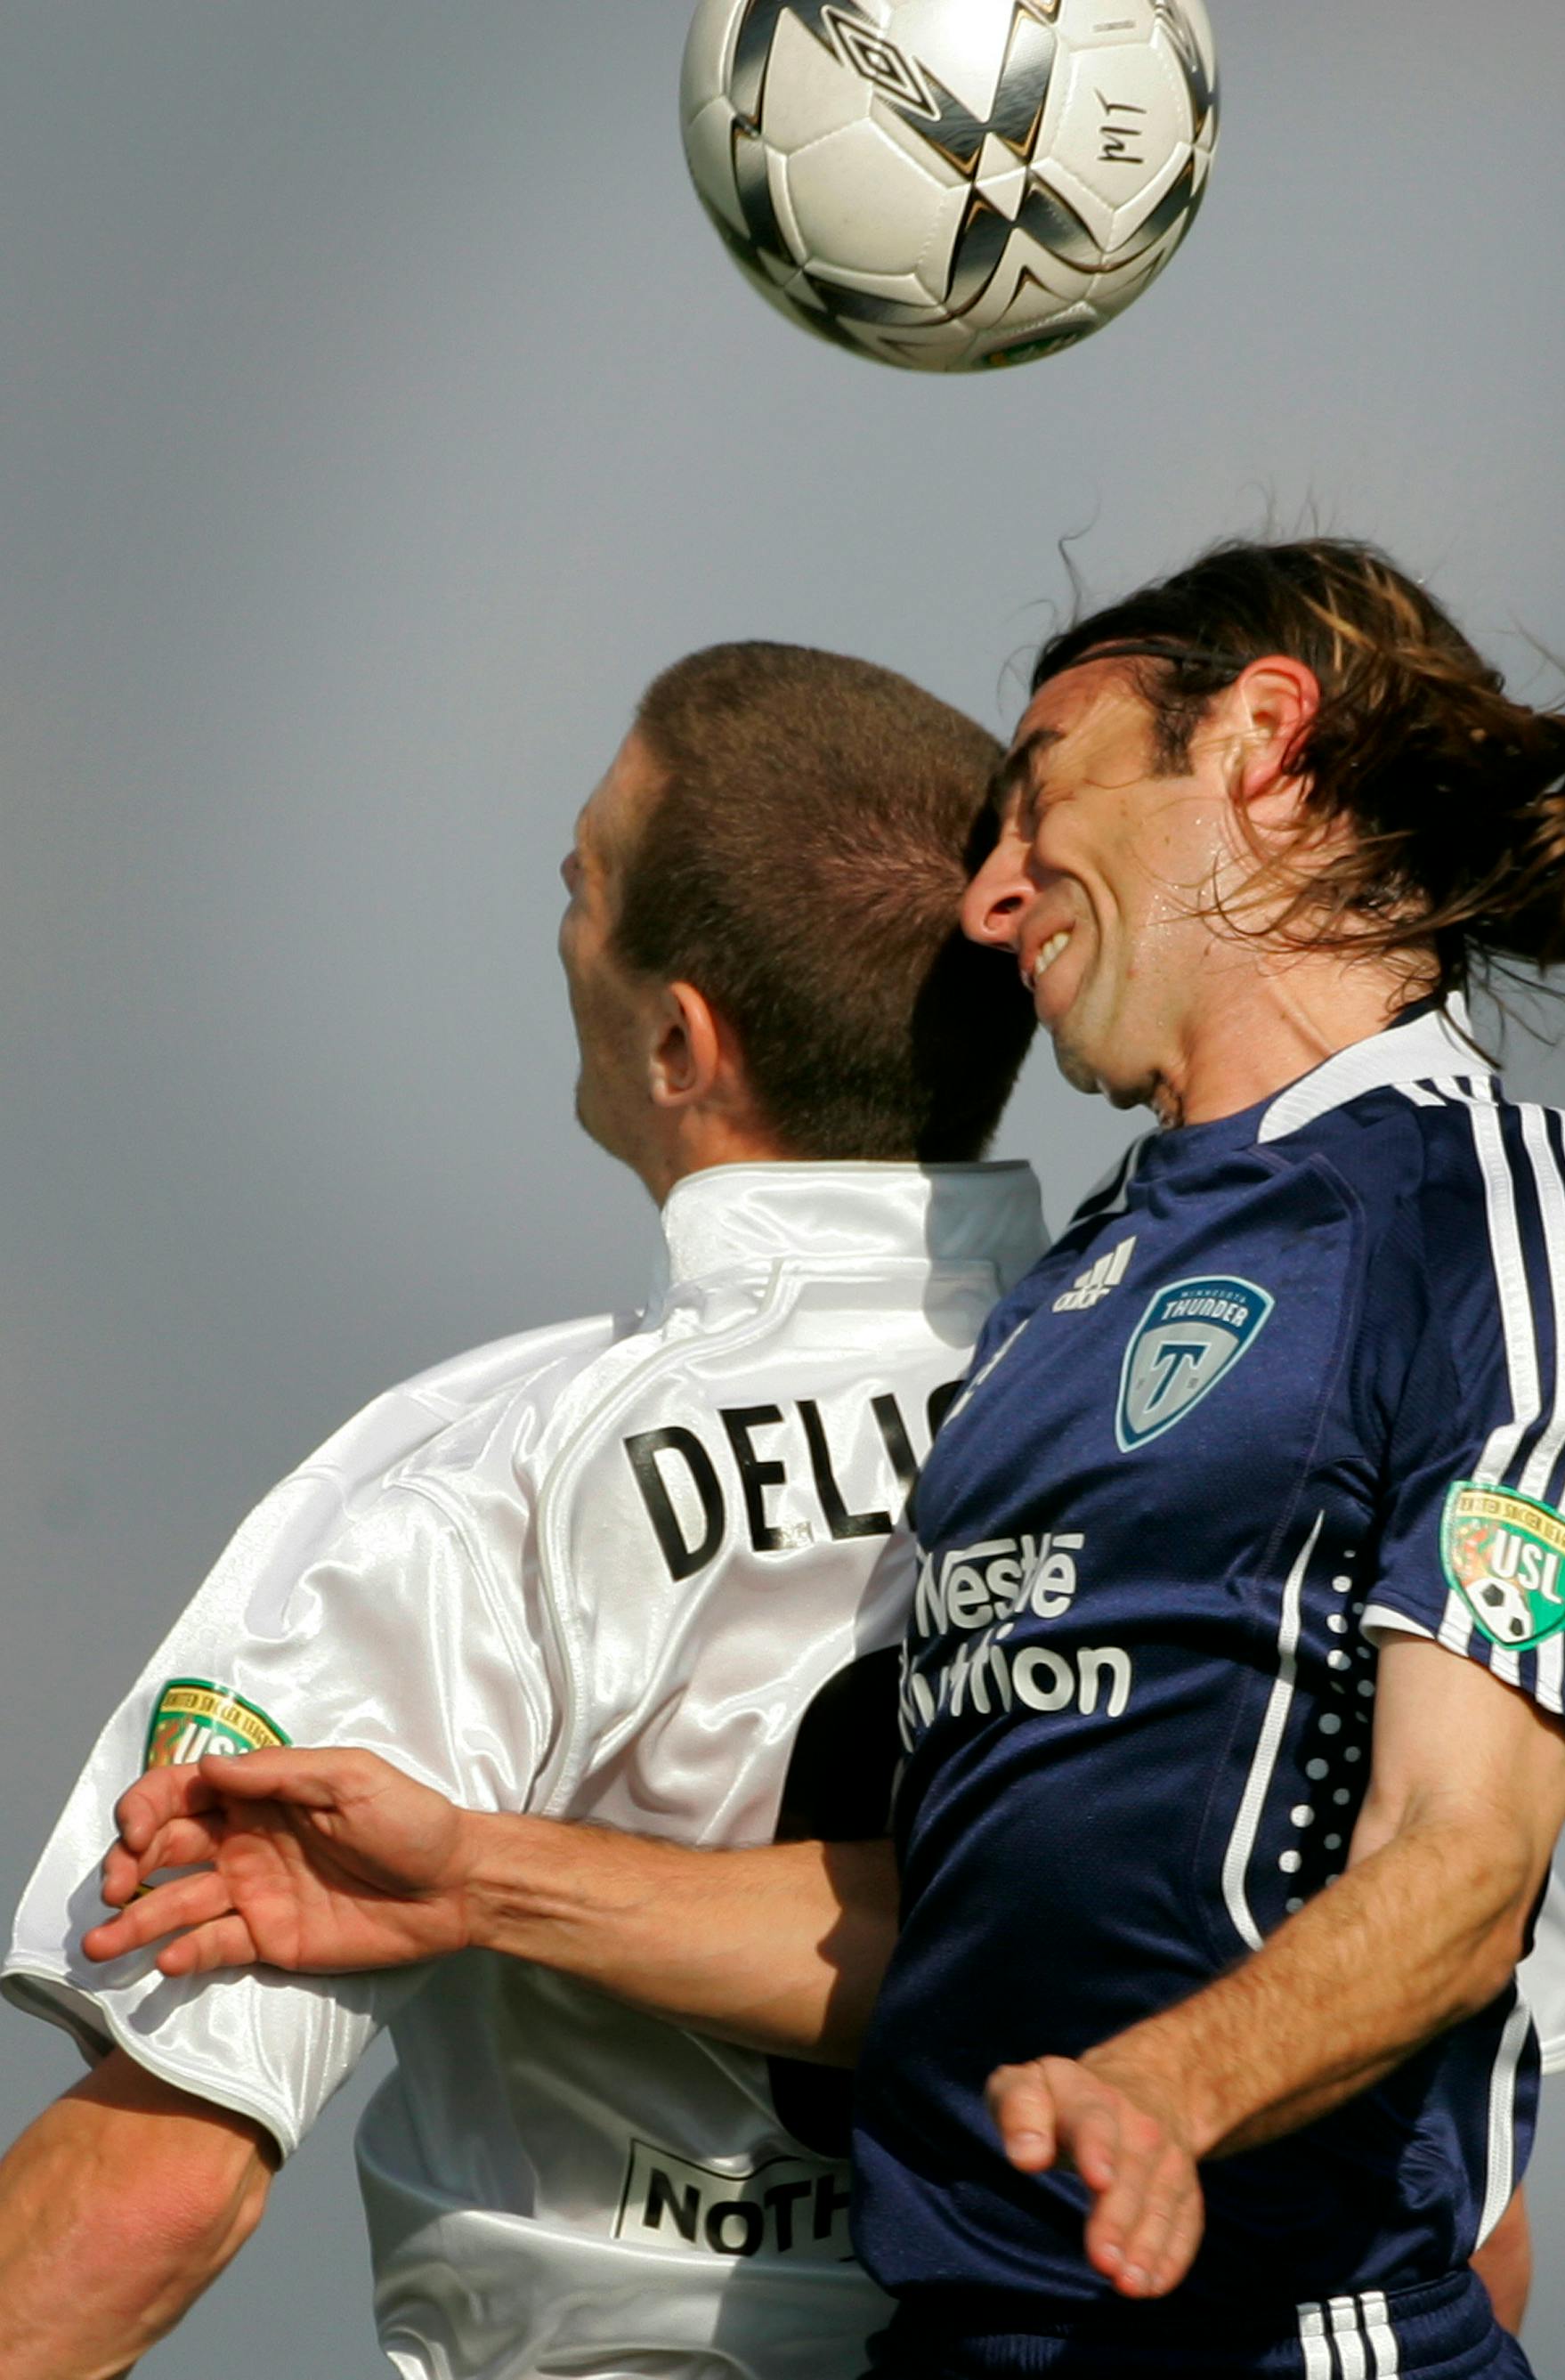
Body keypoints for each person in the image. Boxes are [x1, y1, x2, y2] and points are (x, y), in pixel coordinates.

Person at [85, 539, 1565, 2377]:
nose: (992, 894)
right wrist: (476, 1879)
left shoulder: (1494, 1223)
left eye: (1040, 790)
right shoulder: (1062, 1305)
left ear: (1263, 738)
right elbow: (946, 1935)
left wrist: (1169, 2086)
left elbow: (1460, 1858)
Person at [0, 642, 1044, 2380]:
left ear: (676, 1037)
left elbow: (150, 2198)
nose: (557, 916)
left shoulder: (482, 1479)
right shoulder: (1214, 1437)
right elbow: (1466, 2212)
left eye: (586, 880)